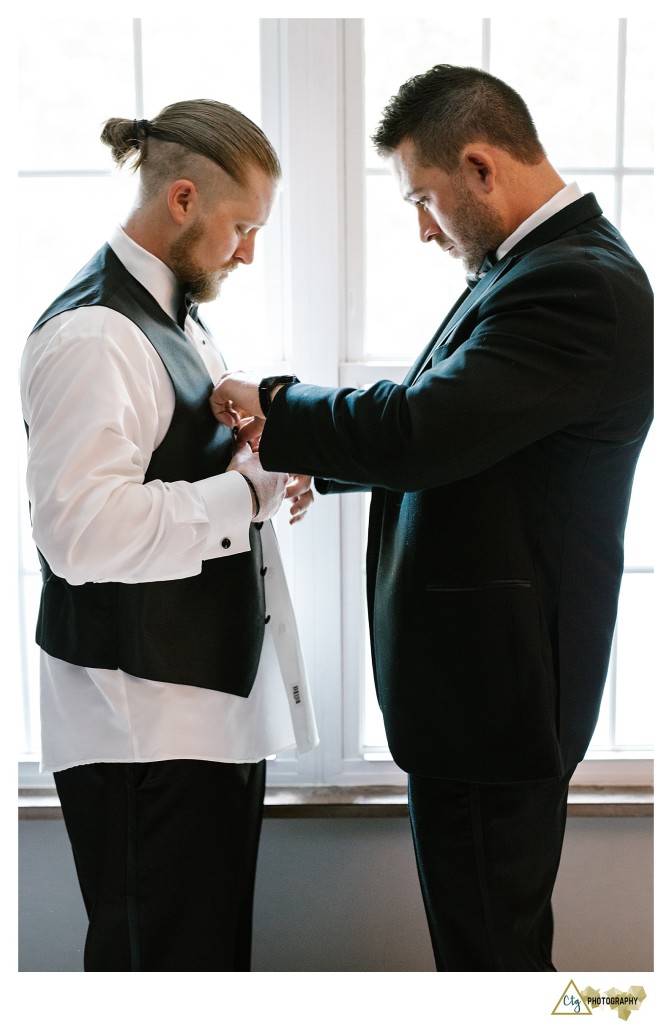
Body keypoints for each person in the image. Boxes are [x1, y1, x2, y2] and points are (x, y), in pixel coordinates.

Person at [210, 65, 654, 971]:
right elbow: (463, 428)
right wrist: (323, 466)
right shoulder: (531, 269)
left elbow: (422, 427)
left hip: (499, 704)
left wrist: (278, 407)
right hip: (480, 698)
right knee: (485, 947)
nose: (422, 227)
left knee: (492, 958)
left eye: (425, 198)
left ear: (482, 167)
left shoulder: (577, 286)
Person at [20, 99, 318, 972]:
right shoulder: (94, 336)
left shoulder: (176, 313)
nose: (249, 252)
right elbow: (81, 533)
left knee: (208, 970)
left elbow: (169, 466)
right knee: (159, 974)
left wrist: (248, 439)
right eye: (241, 227)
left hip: (199, 715)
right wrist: (248, 495)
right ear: (183, 198)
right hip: (140, 730)